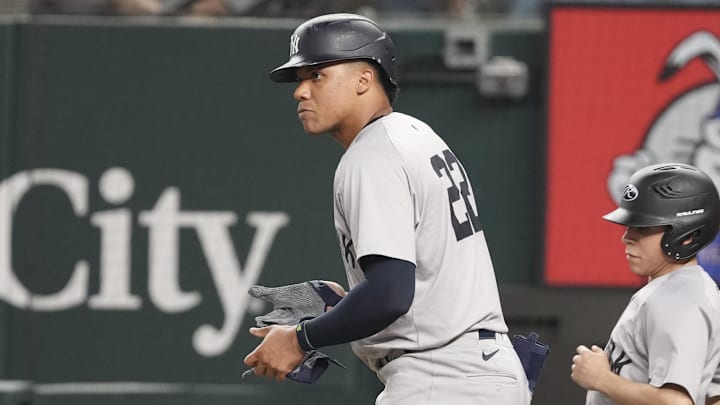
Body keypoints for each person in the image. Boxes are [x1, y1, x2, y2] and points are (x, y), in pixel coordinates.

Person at [243, 13, 531, 405]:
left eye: (317, 76)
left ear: (364, 79)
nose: (301, 91)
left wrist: (300, 338)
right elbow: (412, 289)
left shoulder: (373, 154)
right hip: (476, 370)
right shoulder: (414, 135)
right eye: (300, 79)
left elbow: (391, 294)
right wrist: (345, 304)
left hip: (441, 378)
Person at [570, 163, 720, 405]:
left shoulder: (679, 300)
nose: (627, 237)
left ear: (687, 235)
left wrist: (601, 379)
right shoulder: (691, 290)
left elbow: (677, 403)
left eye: (644, 227)